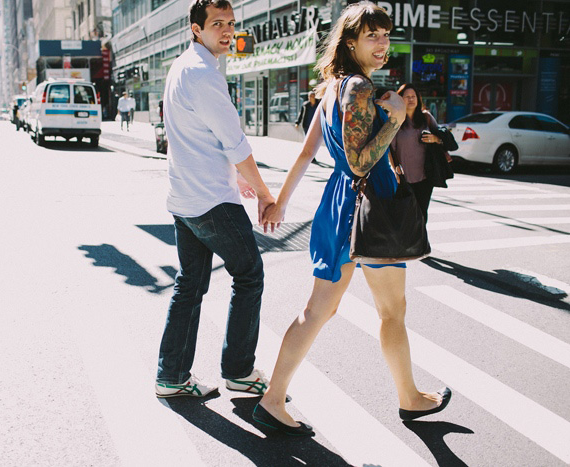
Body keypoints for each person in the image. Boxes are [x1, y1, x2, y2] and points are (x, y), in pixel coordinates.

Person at [255, 1, 451, 436]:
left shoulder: (331, 88)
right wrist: (395, 118)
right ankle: (410, 399)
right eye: (372, 36)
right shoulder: (359, 89)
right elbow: (362, 163)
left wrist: (280, 202)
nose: (383, 44)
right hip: (370, 205)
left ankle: (273, 398)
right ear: (350, 42)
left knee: (321, 308)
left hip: (340, 204)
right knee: (391, 310)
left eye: (385, 34)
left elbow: (308, 152)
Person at [155, 0, 277, 399]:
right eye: (216, 24)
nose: (227, 31)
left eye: (230, 23)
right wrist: (262, 191)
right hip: (210, 200)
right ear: (196, 28)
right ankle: (239, 370)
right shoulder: (203, 73)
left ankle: (171, 377)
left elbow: (200, 137)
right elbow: (234, 141)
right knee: (249, 274)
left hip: (186, 197)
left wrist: (236, 177)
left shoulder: (181, 66)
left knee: (190, 285)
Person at [389, 83, 444, 222]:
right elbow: (390, 149)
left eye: (414, 96)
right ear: (401, 99)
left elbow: (443, 139)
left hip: (425, 176)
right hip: (404, 177)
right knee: (404, 214)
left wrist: (435, 139)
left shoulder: (426, 118)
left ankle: (420, 242)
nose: (411, 99)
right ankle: (406, 242)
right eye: (407, 96)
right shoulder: (395, 119)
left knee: (421, 213)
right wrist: (395, 172)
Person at [295, 91, 321, 164]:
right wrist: (297, 122)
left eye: (312, 96)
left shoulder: (318, 105)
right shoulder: (306, 105)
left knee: (314, 142)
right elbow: (301, 114)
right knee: (309, 141)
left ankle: (312, 156)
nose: (310, 98)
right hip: (306, 125)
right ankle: (312, 157)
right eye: (309, 97)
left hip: (316, 126)